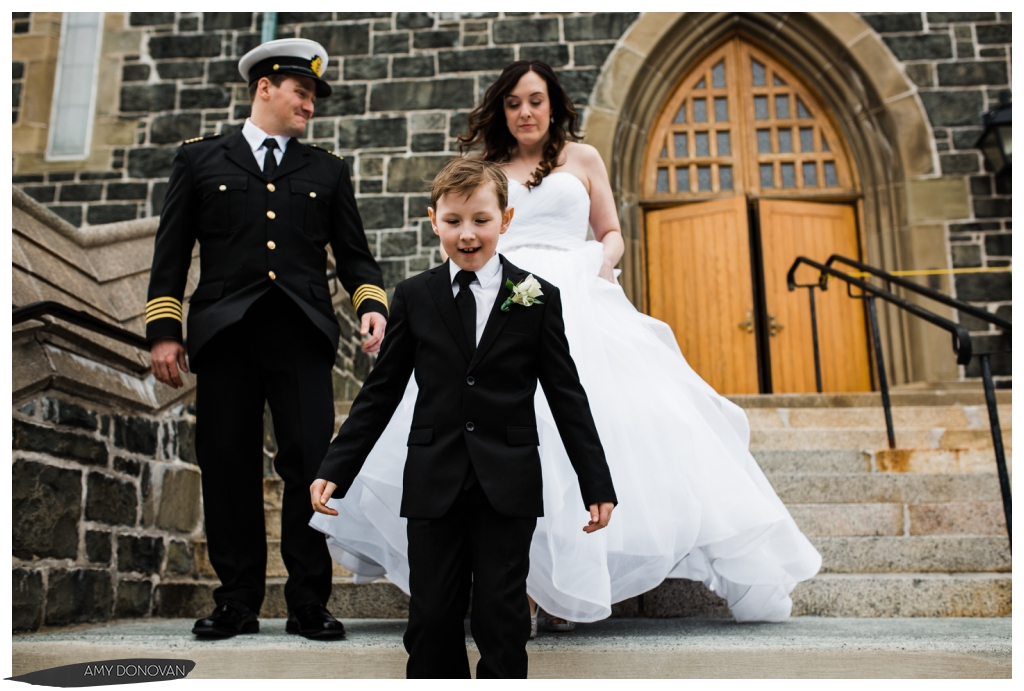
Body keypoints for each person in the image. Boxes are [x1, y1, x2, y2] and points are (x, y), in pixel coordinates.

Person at [310, 60, 821, 632]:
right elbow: (470, 231)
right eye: (512, 104)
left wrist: (599, 267)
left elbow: (610, 231)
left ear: (553, 104)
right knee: (490, 429)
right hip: (497, 298)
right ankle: (519, 590)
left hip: (574, 292)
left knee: (584, 422)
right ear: (500, 111)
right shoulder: (486, 169)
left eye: (535, 100)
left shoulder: (582, 158)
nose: (525, 112)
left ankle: (564, 584)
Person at [310, 158, 617, 679]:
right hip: (435, 478)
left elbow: (567, 395)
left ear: (506, 219)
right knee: (431, 617)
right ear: (434, 221)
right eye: (453, 222)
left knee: (502, 618)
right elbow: (380, 392)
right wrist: (336, 467)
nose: (467, 234)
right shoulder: (413, 297)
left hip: (509, 480)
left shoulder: (537, 297)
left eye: (480, 219)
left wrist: (596, 481)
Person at [146, 37, 388, 640]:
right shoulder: (200, 159)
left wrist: (371, 305)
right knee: (227, 463)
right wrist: (163, 332)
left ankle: (309, 602)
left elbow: (355, 256)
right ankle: (237, 601)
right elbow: (170, 255)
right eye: (301, 94)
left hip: (301, 334)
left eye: (312, 97)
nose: (309, 106)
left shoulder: (327, 169)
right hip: (224, 336)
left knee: (311, 464)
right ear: (265, 88)